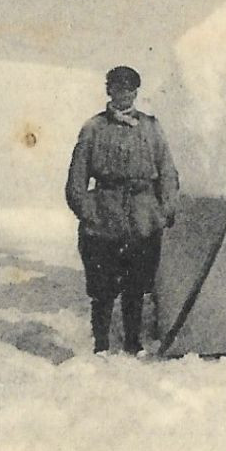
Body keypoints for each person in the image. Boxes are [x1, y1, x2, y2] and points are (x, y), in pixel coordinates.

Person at [66, 66, 180, 355]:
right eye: (117, 88)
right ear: (109, 90)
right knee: (102, 286)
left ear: (136, 92)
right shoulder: (94, 128)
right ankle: (101, 344)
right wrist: (87, 211)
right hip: (105, 215)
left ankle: (133, 342)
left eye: (129, 89)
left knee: (136, 285)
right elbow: (77, 177)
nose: (123, 94)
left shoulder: (151, 127)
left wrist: (164, 209)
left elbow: (167, 171)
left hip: (142, 217)